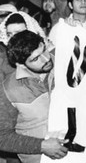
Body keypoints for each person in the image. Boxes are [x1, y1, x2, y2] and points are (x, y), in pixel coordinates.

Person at [0, 30, 68, 162]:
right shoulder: (9, 90)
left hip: (79, 153)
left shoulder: (64, 62)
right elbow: (2, 136)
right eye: (35, 59)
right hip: (40, 159)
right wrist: (41, 146)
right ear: (20, 64)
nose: (46, 58)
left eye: (44, 50)